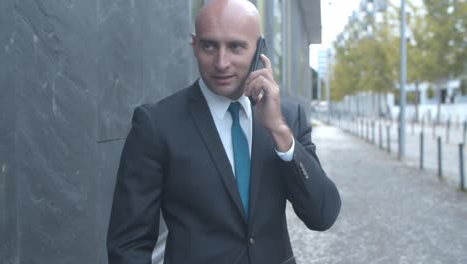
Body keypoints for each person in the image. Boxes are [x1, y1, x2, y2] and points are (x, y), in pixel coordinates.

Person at [106, 0, 341, 263]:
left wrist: (279, 131)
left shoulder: (288, 119)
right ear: (194, 46)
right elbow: (128, 244)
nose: (221, 62)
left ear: (259, 49)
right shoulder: (156, 125)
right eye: (209, 46)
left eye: (236, 46)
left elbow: (323, 215)